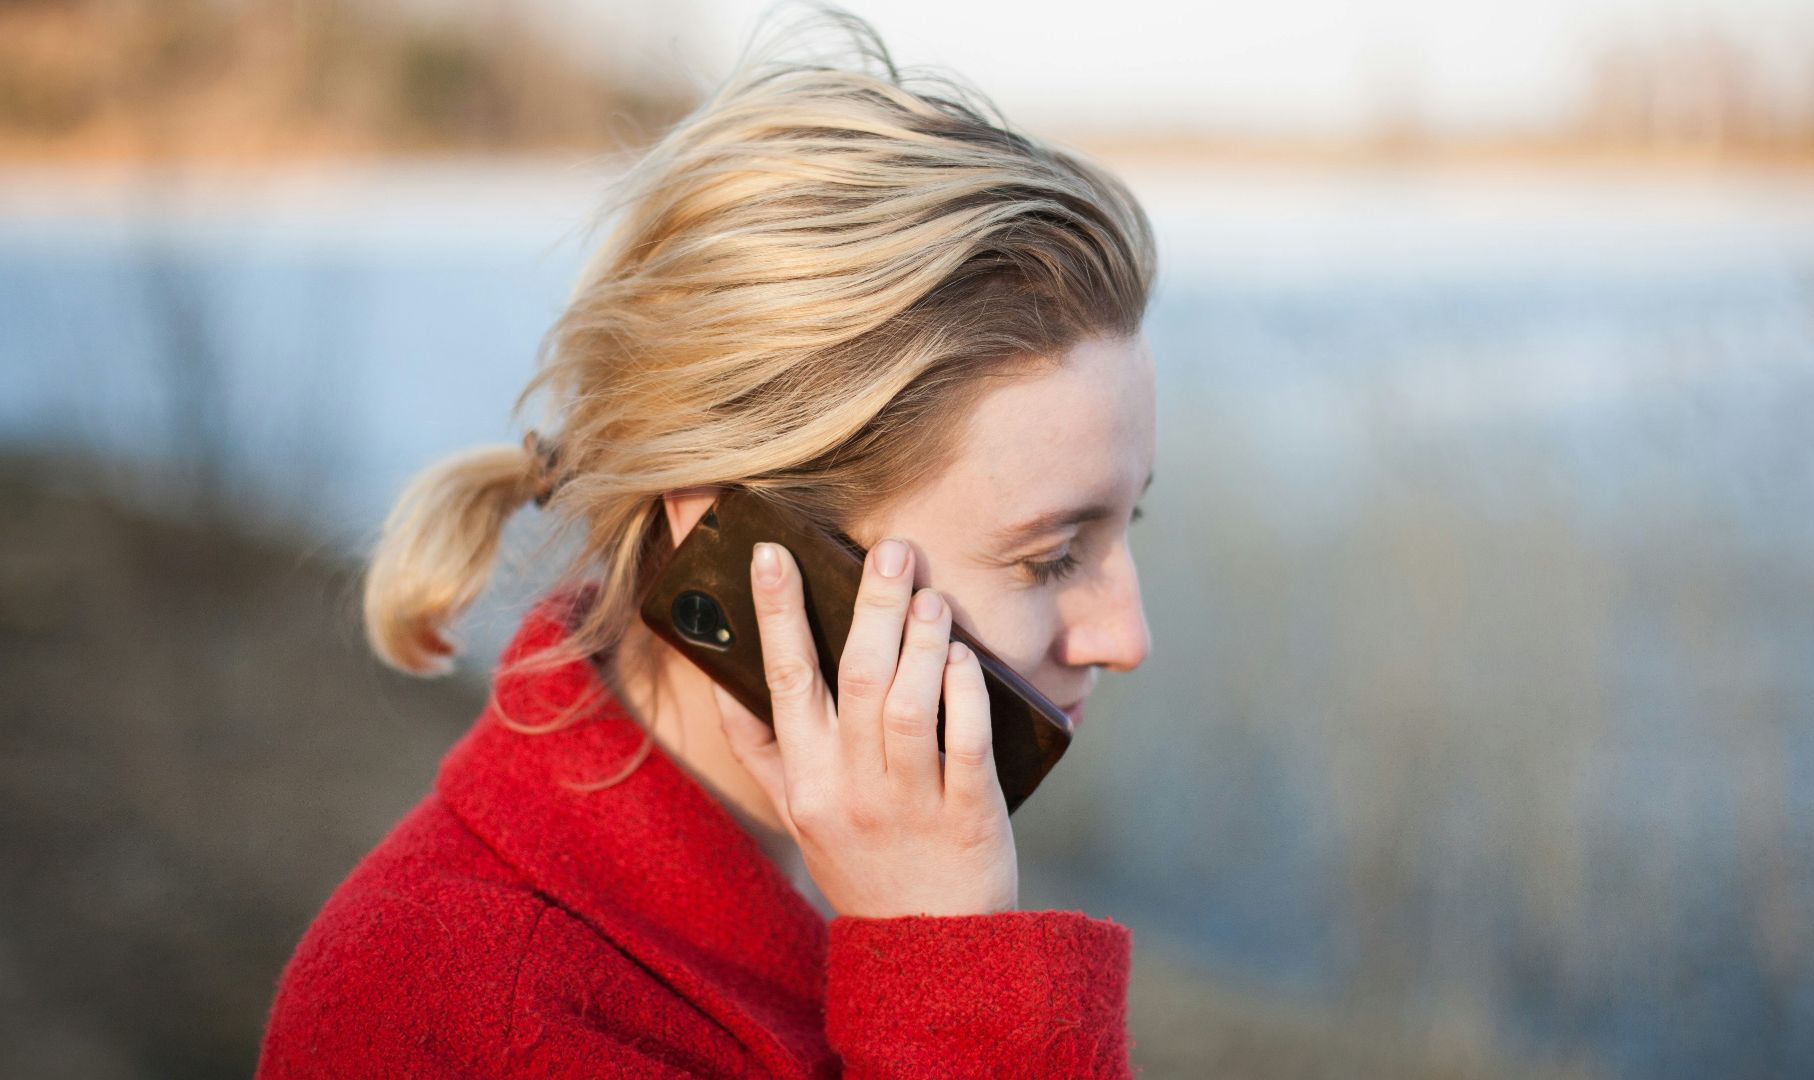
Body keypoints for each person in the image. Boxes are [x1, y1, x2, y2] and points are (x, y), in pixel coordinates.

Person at [257, 5, 1157, 1076]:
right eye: (1050, 554)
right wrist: (955, 974)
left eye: (1125, 524)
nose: (1126, 634)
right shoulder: (462, 1012)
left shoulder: (819, 884)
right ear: (747, 544)